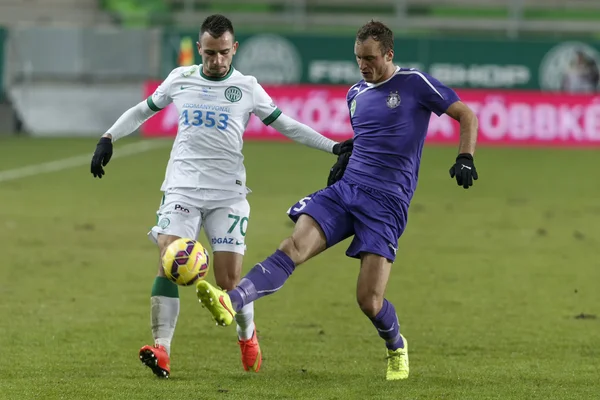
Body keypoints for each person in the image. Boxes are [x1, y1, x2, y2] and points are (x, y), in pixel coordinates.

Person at [194, 19, 479, 381]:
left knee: (369, 301)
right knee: (293, 246)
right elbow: (369, 139)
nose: (363, 65)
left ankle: (396, 346)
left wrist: (465, 156)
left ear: (389, 54)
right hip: (347, 190)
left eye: (371, 58)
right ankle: (232, 301)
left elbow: (466, 115)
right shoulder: (355, 94)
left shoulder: (414, 83)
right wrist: (345, 161)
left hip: (387, 204)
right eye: (358, 58)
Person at [89, 14, 353, 379]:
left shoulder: (247, 87)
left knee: (228, 282)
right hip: (181, 186)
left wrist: (333, 146)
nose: (216, 61)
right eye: (210, 53)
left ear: (235, 49)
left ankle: (247, 336)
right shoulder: (181, 79)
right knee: (169, 259)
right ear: (199, 48)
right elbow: (142, 110)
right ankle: (161, 350)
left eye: (223, 53)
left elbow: (286, 124)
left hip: (227, 194)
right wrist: (108, 138)